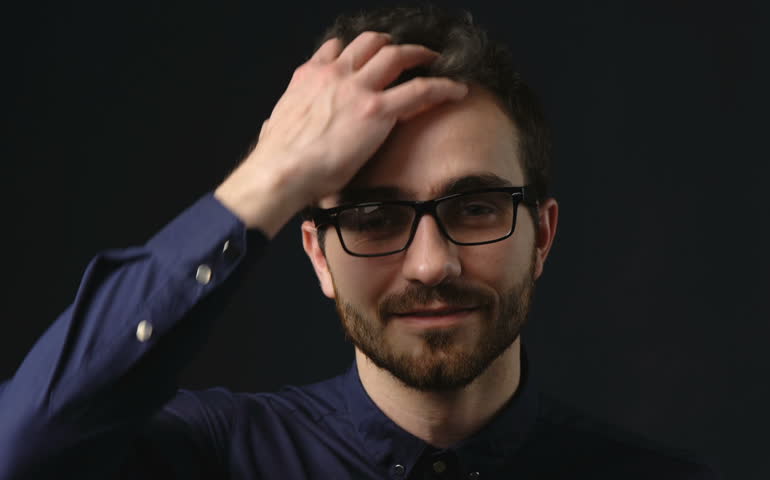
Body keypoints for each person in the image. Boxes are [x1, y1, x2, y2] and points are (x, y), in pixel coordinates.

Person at [0, 4, 717, 479]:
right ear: (316, 254)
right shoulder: (212, 455)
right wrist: (268, 176)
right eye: (375, 218)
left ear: (543, 236)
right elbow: (20, 451)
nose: (432, 264)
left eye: (474, 208)